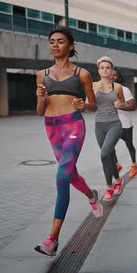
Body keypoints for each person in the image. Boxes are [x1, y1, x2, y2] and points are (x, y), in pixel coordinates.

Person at [34, 27, 101, 257]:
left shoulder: (81, 74)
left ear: (70, 46)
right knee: (70, 175)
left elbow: (93, 104)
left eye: (60, 41)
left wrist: (85, 106)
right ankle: (92, 195)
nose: (54, 45)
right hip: (52, 128)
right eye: (51, 41)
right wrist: (41, 99)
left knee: (62, 176)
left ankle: (52, 239)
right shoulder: (42, 74)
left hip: (73, 125)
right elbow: (40, 112)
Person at [93, 56, 126, 201]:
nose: (105, 70)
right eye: (102, 67)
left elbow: (123, 103)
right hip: (99, 125)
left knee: (104, 154)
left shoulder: (117, 87)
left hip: (114, 124)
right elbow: (90, 105)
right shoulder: (93, 86)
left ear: (111, 70)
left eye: (108, 67)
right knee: (109, 155)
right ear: (98, 70)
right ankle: (118, 180)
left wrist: (120, 104)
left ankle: (109, 187)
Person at [111, 69, 137, 178]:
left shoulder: (124, 90)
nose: (112, 77)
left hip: (125, 124)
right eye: (110, 75)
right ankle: (117, 164)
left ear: (119, 78)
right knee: (109, 146)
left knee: (129, 145)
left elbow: (133, 106)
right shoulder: (105, 90)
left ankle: (134, 165)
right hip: (111, 124)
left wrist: (118, 105)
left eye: (115, 75)